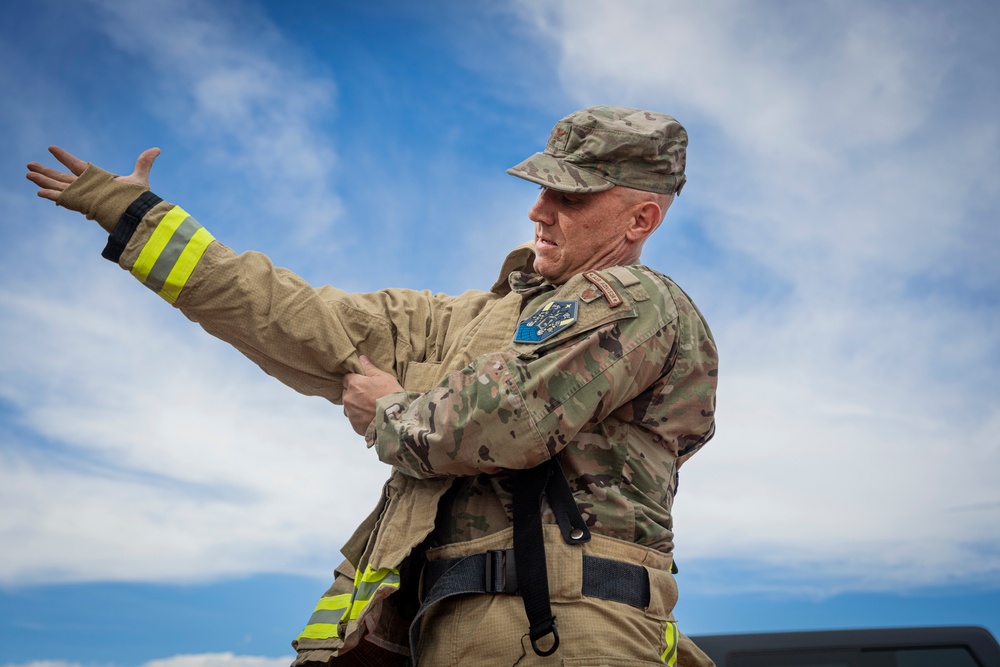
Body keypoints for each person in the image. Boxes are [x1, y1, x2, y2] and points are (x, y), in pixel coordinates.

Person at [26, 106, 718, 666]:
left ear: (640, 219)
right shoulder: (467, 322)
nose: (539, 210)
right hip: (441, 632)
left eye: (568, 195)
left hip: (565, 635)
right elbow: (289, 313)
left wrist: (389, 409)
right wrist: (131, 215)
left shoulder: (637, 298)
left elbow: (501, 421)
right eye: (540, 189)